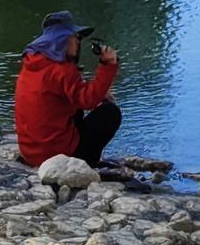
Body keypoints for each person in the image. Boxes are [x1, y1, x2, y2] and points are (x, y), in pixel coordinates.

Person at [13, 10, 121, 169]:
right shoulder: (62, 70)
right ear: (62, 40)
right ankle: (87, 163)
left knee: (76, 109)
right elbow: (88, 100)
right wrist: (108, 66)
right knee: (110, 113)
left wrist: (100, 92)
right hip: (54, 156)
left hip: (31, 153)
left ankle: (80, 159)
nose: (78, 43)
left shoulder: (31, 65)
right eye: (76, 38)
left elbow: (66, 96)